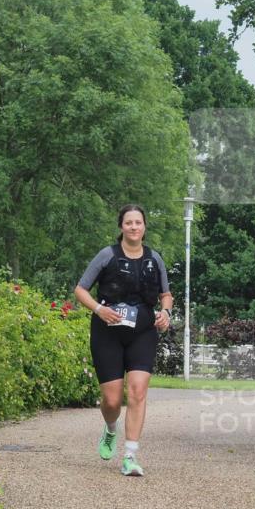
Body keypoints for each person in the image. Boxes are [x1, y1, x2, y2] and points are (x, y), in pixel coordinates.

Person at [74, 204, 173, 477]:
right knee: (112, 400)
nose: (133, 227)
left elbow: (166, 294)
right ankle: (110, 429)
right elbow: (80, 289)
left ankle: (130, 456)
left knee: (138, 391)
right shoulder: (107, 255)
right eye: (128, 223)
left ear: (144, 227)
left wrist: (165, 312)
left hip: (143, 332)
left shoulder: (155, 259)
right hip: (108, 332)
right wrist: (98, 309)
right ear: (121, 227)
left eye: (138, 222)